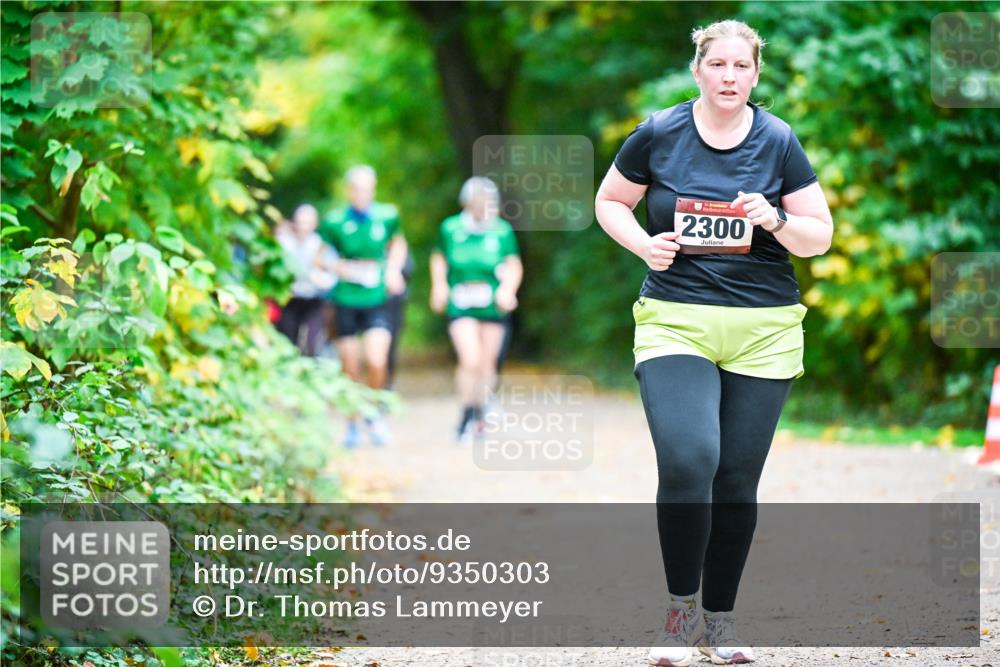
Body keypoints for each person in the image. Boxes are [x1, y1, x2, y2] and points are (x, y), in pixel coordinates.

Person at [595, 20, 833, 666]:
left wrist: (776, 219)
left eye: (741, 67)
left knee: (734, 481)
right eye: (718, 64)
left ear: (756, 75)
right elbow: (610, 201)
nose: (729, 76)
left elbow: (821, 234)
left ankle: (720, 623)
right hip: (677, 318)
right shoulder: (659, 132)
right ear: (697, 69)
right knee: (689, 458)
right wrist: (644, 242)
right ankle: (680, 614)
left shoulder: (778, 141)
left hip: (764, 329)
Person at [320, 165, 408, 448]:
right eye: (357, 188)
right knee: (350, 366)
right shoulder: (334, 222)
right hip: (346, 300)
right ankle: (351, 423)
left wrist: (393, 270)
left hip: (376, 298)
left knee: (377, 359)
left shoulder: (387, 216)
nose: (362, 194)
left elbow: (398, 245)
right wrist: (339, 267)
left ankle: (374, 412)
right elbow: (319, 257)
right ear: (349, 190)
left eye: (368, 188)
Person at [430, 177, 522, 442]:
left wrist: (508, 289)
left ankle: (480, 413)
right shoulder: (451, 228)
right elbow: (439, 258)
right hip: (461, 300)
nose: (486, 207)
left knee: (487, 363)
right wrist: (439, 286)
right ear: (469, 202)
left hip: (492, 303)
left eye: (490, 202)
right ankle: (465, 415)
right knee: (470, 359)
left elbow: (513, 265)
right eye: (480, 202)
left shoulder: (501, 231)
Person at [275, 204, 336, 357]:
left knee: (312, 344)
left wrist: (320, 279)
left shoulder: (320, 245)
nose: (303, 227)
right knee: (288, 341)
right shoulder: (283, 243)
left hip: (314, 300)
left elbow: (331, 274)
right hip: (289, 300)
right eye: (301, 222)